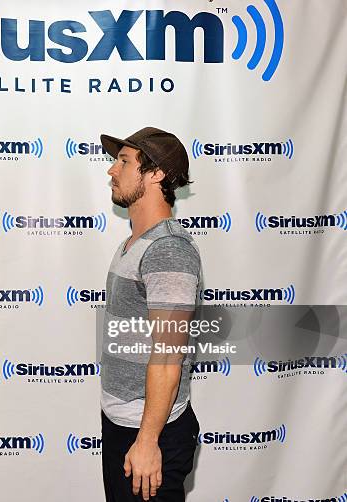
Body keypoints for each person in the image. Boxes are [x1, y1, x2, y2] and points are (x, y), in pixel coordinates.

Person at [99, 127, 202, 501]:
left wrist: (147, 440)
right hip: (123, 422)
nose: (112, 170)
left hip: (150, 432)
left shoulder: (167, 250)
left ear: (156, 173)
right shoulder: (134, 242)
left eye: (124, 161)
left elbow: (168, 357)